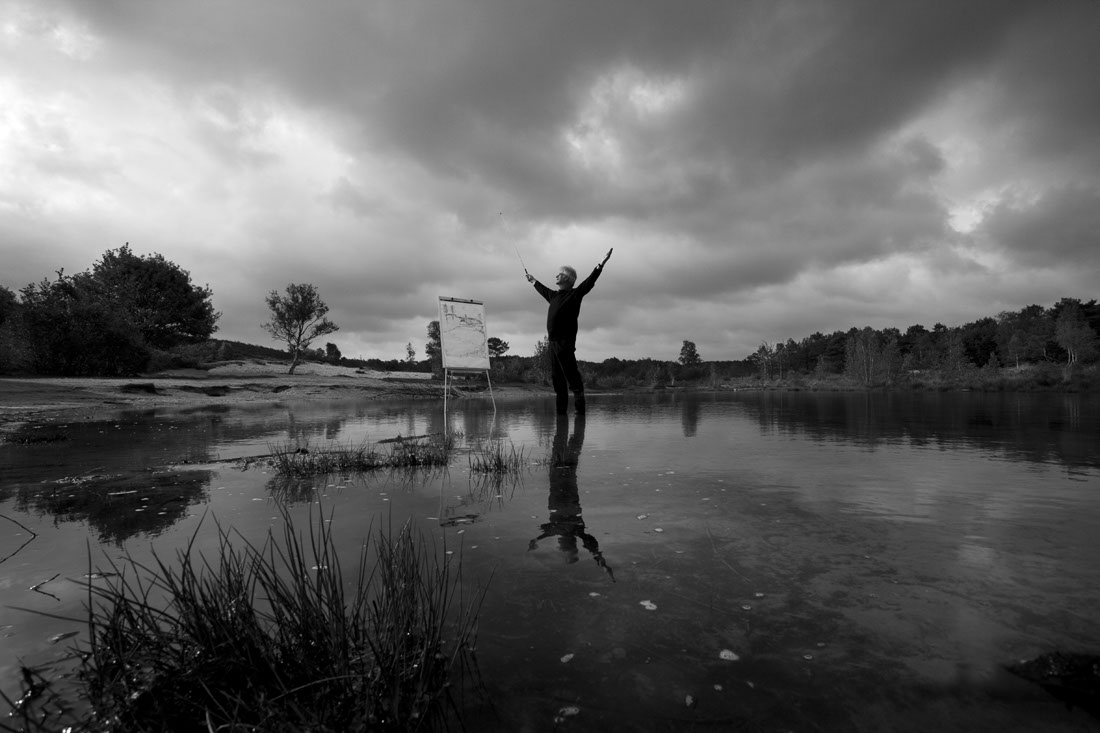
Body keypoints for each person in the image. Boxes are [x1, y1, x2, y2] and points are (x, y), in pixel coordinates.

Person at [526, 249, 612, 414]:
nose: (556, 276)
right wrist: (533, 280)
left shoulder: (575, 295)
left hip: (565, 343)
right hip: (552, 344)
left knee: (573, 379)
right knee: (558, 381)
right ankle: (561, 415)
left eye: (560, 274)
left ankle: (580, 415)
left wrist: (601, 264)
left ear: (567, 278)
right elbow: (542, 289)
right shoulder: (553, 296)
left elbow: (589, 282)